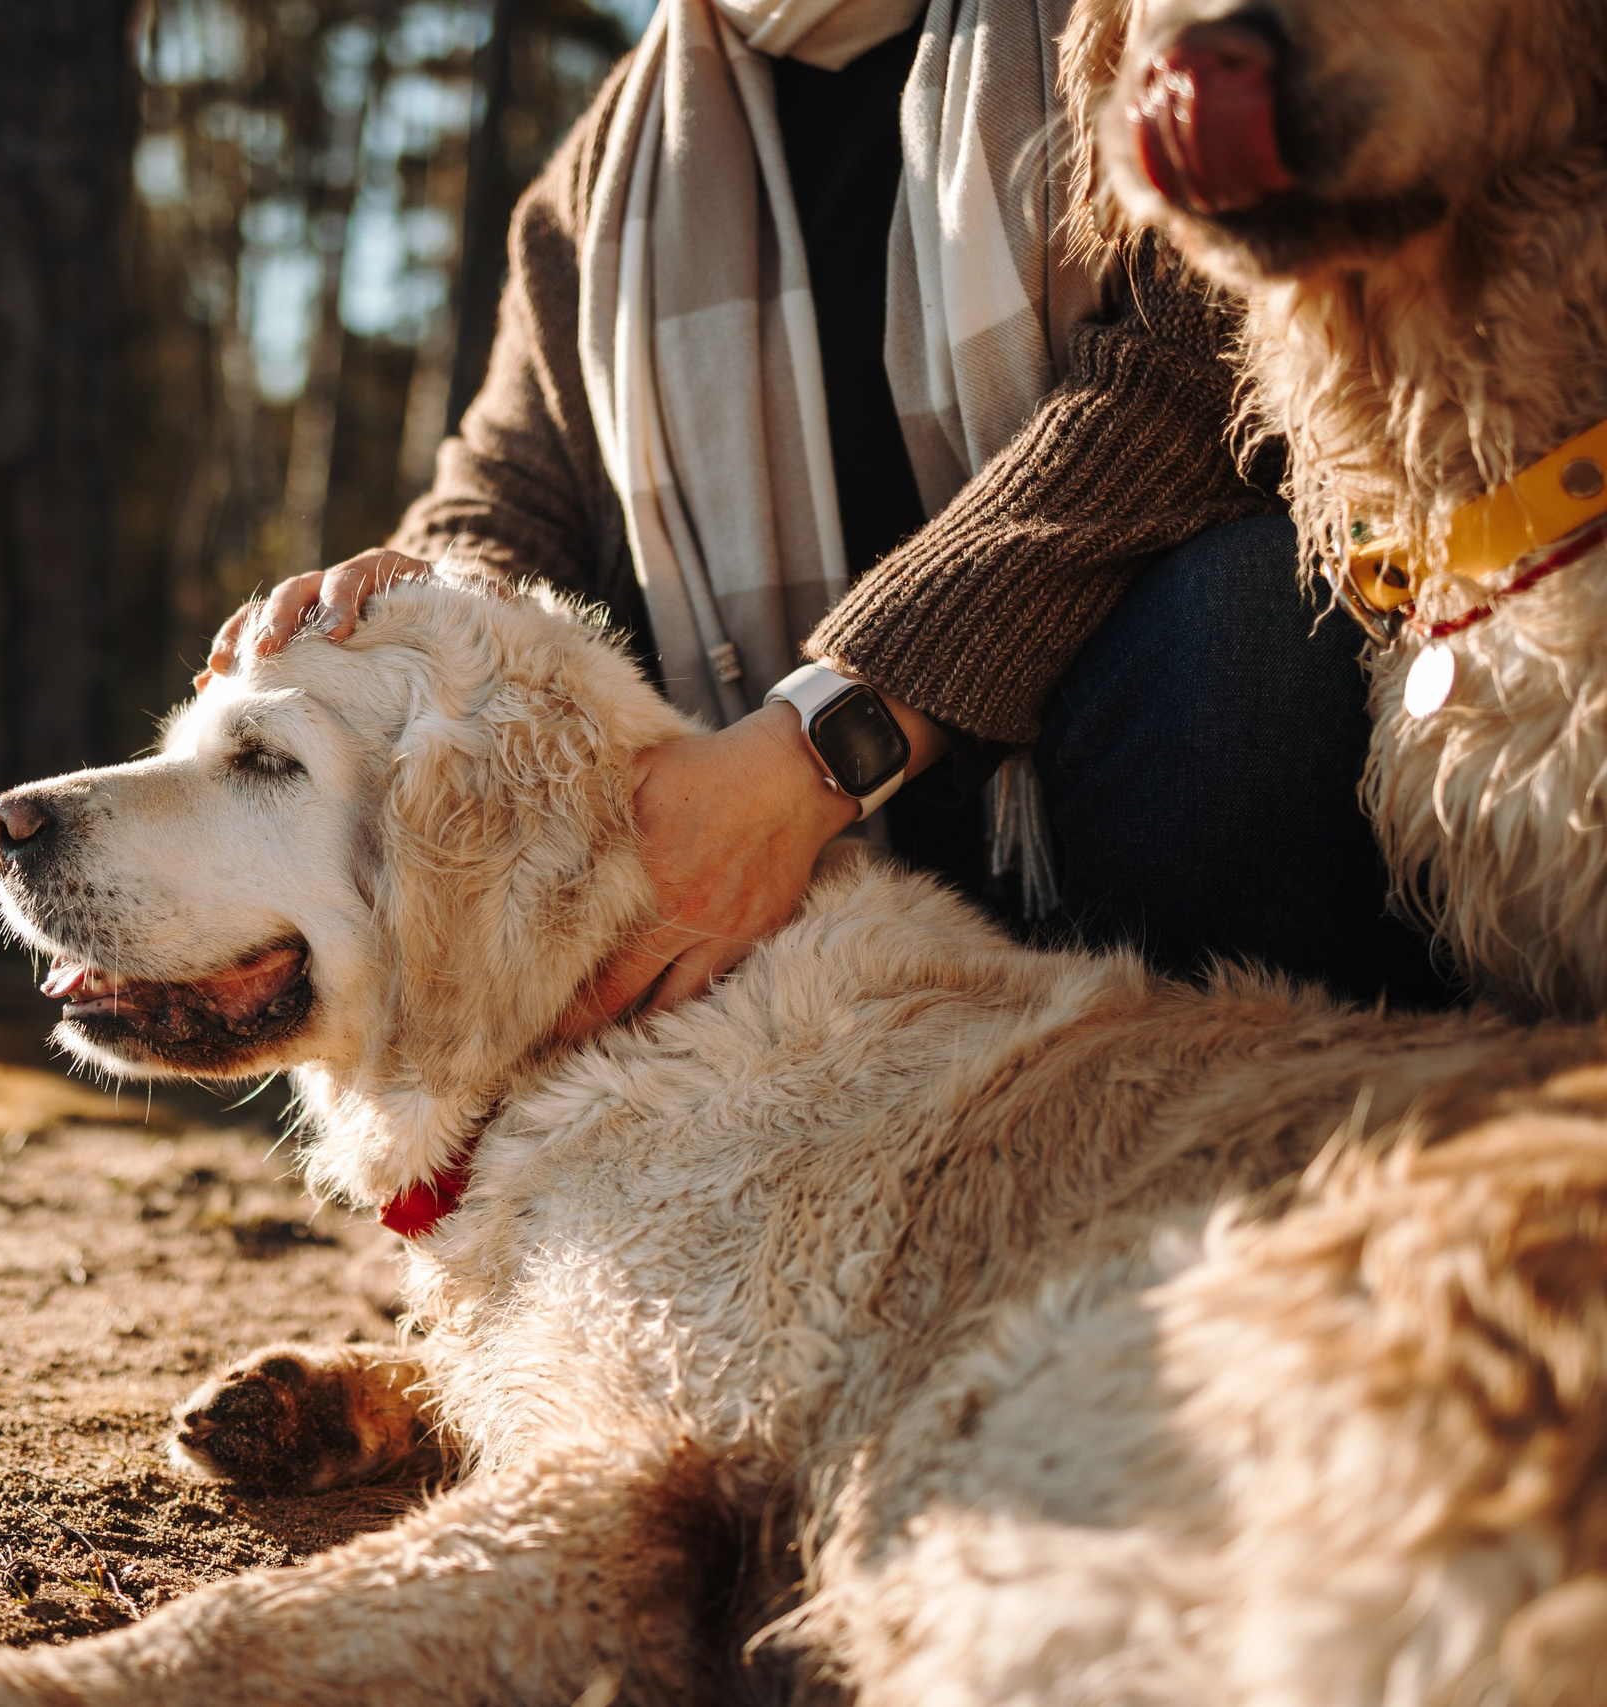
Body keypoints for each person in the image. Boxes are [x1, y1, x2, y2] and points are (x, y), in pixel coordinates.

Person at [204, 0, 1451, 1032]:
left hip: (1131, 837)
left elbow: (1198, 372)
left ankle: (1277, 1139)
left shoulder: (1121, 31)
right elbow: (505, 497)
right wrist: (418, 604)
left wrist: (810, 755)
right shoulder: (602, 184)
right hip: (797, 917)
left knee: (1245, 602)